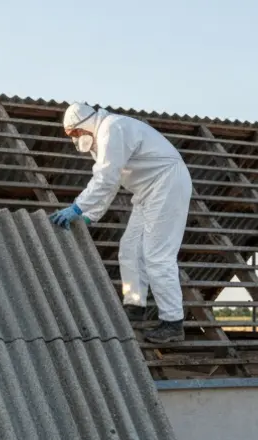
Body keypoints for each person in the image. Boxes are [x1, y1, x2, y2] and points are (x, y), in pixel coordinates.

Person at [50, 103, 192, 344]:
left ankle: (173, 322)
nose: (75, 140)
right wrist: (89, 214)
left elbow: (105, 178)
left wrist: (78, 207)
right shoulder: (103, 137)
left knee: (157, 256)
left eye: (74, 134)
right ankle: (134, 306)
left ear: (82, 125)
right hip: (148, 191)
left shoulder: (111, 129)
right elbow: (110, 182)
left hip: (166, 184)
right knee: (130, 249)